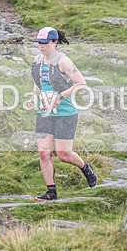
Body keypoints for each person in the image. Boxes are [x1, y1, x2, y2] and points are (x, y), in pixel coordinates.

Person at [30, 27, 99, 201]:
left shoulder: (63, 61)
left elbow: (81, 83)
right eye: (39, 43)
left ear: (55, 42)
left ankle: (85, 168)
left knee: (63, 154)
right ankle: (51, 192)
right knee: (44, 153)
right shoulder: (37, 60)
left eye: (45, 43)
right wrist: (33, 97)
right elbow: (38, 83)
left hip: (65, 113)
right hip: (44, 112)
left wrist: (61, 97)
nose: (41, 46)